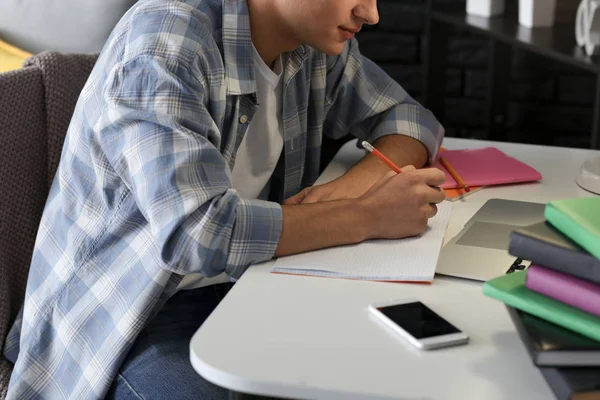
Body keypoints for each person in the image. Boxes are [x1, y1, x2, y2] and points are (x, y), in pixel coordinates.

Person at [4, 0, 446, 398]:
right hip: (131, 318)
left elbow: (410, 119)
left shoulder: (312, 42)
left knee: (386, 370)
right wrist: (367, 215)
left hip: (249, 284)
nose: (371, 14)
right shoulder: (165, 44)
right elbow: (198, 235)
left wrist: (346, 194)